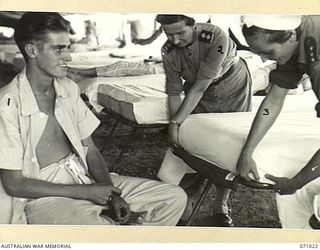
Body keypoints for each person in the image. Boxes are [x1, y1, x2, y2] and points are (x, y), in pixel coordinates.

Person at [0, 11, 187, 225]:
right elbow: (14, 184)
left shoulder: (68, 88)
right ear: (32, 50)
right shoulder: (7, 103)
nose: (68, 57)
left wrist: (112, 193)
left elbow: (91, 151)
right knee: (98, 227)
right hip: (43, 194)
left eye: (68, 47)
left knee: (172, 197)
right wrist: (86, 192)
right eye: (59, 49)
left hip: (83, 176)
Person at [155, 14, 252, 227]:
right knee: (191, 142)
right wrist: (175, 126)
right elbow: (173, 92)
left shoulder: (216, 36)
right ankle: (185, 200)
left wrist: (175, 124)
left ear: (194, 26)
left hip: (232, 86)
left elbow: (200, 86)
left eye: (181, 33)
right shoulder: (168, 50)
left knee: (228, 142)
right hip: (197, 90)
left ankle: (221, 205)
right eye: (169, 34)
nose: (175, 41)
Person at [237, 15, 320, 228]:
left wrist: (297, 182)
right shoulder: (294, 42)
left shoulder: (315, 51)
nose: (265, 60)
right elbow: (272, 101)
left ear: (291, 36)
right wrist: (247, 151)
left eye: (268, 53)